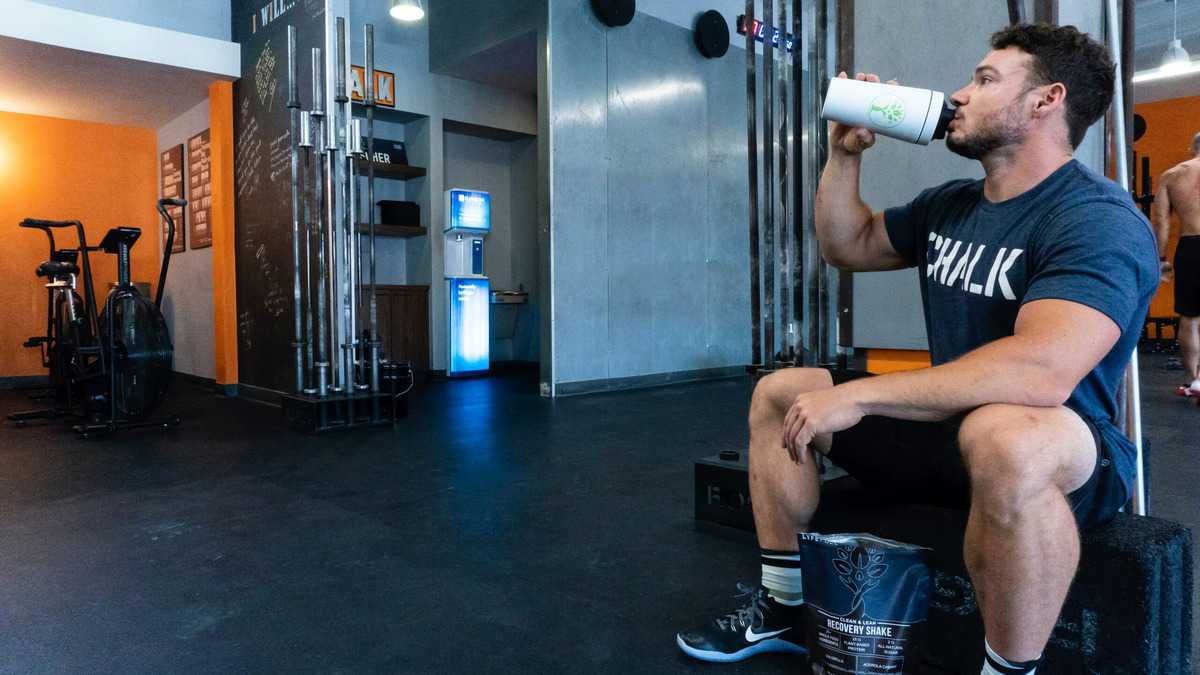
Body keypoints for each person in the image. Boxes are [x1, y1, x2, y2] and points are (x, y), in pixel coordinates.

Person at [675, 23, 1158, 675]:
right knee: (782, 391)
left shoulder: (1096, 218)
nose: (959, 94)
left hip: (1066, 446)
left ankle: (1009, 670)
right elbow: (845, 245)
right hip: (957, 430)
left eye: (985, 79)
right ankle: (786, 606)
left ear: (1046, 101)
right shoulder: (952, 205)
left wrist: (858, 393)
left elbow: (1041, 370)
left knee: (1004, 434)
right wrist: (844, 155)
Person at [1153, 132, 1200, 397]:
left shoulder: (1172, 175)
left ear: (1192, 147)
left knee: (1190, 317)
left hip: (1191, 246)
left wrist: (1161, 260)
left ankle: (1194, 380)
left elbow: (1162, 222)